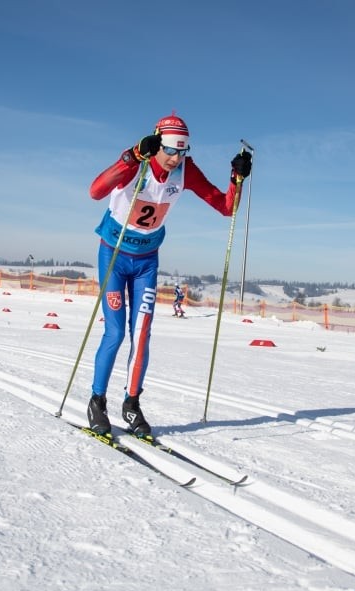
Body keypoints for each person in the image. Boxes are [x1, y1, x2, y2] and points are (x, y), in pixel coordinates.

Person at [86, 114, 251, 437]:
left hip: (146, 261)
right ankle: (97, 401)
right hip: (115, 256)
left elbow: (225, 207)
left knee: (143, 332)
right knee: (116, 333)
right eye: (171, 150)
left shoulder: (185, 171)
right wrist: (131, 157)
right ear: (157, 143)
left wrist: (237, 179)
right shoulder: (138, 162)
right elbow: (95, 191)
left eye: (183, 151)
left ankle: (131, 404)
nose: (176, 158)